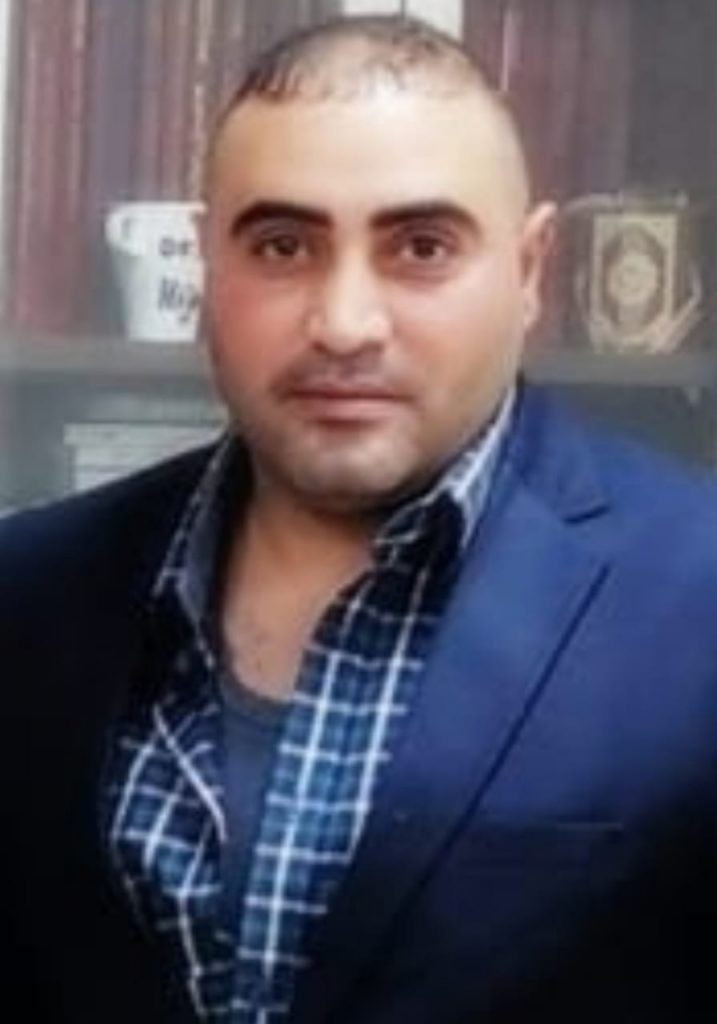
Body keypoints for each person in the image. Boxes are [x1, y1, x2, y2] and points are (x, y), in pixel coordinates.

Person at [2, 13, 717, 1024]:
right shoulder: (28, 590)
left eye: (421, 247)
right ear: (208, 266)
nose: (343, 323)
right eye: (281, 245)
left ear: (528, 272)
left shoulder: (699, 600)